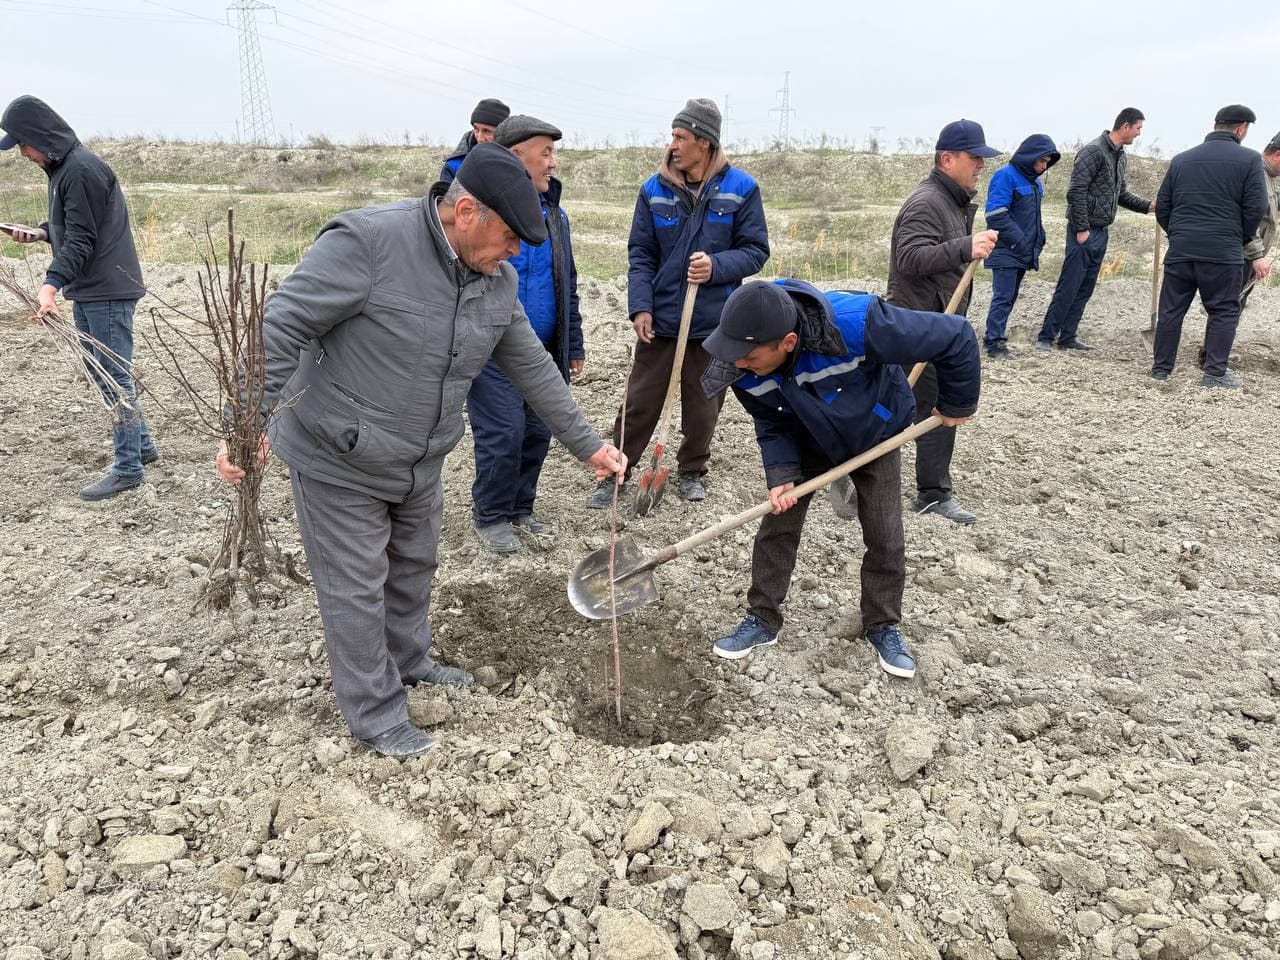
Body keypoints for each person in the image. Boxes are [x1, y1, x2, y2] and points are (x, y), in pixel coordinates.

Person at [215, 143, 625, 760]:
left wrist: (589, 445)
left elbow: (532, 366)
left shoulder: (496, 279)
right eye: (511, 237)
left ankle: (409, 662)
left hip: (419, 459)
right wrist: (246, 422)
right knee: (355, 584)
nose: (517, 253)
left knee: (412, 568)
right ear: (466, 213)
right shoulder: (367, 244)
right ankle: (375, 715)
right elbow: (281, 323)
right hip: (339, 453)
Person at [700, 279, 980, 675]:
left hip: (873, 432)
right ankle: (762, 618)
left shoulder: (856, 323)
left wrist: (957, 402)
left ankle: (882, 624)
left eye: (748, 355)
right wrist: (781, 472)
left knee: (884, 533)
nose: (739, 362)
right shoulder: (739, 360)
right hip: (804, 435)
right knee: (777, 525)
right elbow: (770, 420)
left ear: (789, 341)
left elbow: (956, 335)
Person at [587, 98, 769, 509]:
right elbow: (641, 254)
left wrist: (718, 265)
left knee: (704, 402)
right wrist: (641, 307)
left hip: (714, 322)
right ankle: (617, 469)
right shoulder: (654, 191)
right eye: (672, 135)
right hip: (664, 317)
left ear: (704, 142)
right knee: (639, 401)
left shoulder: (742, 189)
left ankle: (691, 470)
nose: (673, 144)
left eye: (681, 136)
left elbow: (756, 250)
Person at [0, 95, 160, 501]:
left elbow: (83, 240)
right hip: (93, 288)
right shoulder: (63, 169)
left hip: (107, 288)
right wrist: (39, 233)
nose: (22, 153)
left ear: (40, 136)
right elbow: (74, 227)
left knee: (113, 375)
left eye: (22, 144)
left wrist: (49, 285)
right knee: (102, 371)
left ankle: (128, 469)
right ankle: (142, 448)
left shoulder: (81, 170)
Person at [466, 115, 584, 553]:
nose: (553, 163)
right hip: (495, 349)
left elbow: (566, 280)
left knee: (538, 431)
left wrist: (573, 341)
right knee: (504, 432)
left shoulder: (557, 217)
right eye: (546, 153)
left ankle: (521, 508)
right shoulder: (486, 217)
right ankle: (491, 515)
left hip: (546, 349)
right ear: (516, 156)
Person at [886, 118, 998, 526]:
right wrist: (964, 246)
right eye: (975, 158)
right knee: (914, 406)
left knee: (917, 405)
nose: (981, 166)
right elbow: (910, 258)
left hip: (937, 325)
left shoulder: (951, 202)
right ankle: (928, 493)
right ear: (947, 159)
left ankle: (922, 488)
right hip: (918, 324)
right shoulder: (927, 202)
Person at [1152, 105, 1269, 389]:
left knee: (1170, 310)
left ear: (1216, 125)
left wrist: (1178, 234)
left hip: (1181, 251)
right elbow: (1257, 207)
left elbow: (1163, 206)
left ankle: (1161, 370)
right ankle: (1215, 372)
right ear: (1241, 129)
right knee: (1223, 311)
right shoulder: (1249, 159)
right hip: (1223, 252)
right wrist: (1238, 236)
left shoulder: (1181, 160)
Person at [1037, 108, 1154, 352]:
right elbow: (1076, 190)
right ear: (1125, 126)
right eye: (1138, 128)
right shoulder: (1093, 151)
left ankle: (1068, 337)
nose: (1139, 134)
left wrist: (1148, 207)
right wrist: (1081, 228)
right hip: (1084, 231)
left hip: (1102, 231)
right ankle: (1046, 338)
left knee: (1086, 287)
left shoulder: (1120, 156)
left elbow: (1120, 194)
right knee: (1069, 285)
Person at [1194, 129, 1280, 369]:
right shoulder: (1256, 175)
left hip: (1248, 254)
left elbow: (1271, 206)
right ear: (1278, 155)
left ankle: (1214, 352)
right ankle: (1211, 358)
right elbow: (1246, 220)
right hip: (1242, 254)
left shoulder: (1268, 177)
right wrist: (1256, 256)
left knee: (1234, 305)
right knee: (1229, 306)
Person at [982, 135, 1060, 359]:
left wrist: (1039, 238)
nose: (1044, 167)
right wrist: (1019, 240)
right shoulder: (1005, 176)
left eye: (1047, 162)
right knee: (1003, 297)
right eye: (1042, 161)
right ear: (1030, 156)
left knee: (1010, 297)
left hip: (1023, 251)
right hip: (1006, 250)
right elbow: (995, 215)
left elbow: (1033, 217)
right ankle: (994, 343)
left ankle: (996, 338)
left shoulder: (1034, 182)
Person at [440, 98, 510, 184]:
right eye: (476, 129)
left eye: (486, 131)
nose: (480, 138)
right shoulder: (453, 165)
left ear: (502, 133)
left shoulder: (517, 164)